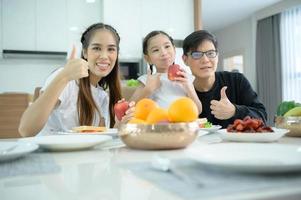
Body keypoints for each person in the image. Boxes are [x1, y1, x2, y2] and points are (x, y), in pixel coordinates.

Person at [19, 23, 134, 137]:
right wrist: (64, 76)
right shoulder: (67, 79)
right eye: (96, 48)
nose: (104, 55)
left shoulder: (103, 96)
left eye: (111, 49)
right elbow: (26, 130)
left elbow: (99, 139)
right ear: (85, 52)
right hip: (51, 154)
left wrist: (119, 126)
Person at [182, 30, 267, 128]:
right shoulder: (181, 90)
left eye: (210, 53)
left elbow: (262, 117)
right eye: (196, 54)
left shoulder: (237, 80)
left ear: (217, 56)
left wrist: (234, 111)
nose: (205, 60)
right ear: (185, 60)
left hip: (237, 143)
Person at [130, 30, 202, 112]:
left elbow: (198, 110)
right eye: (156, 50)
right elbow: (130, 109)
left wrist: (189, 88)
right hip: (157, 123)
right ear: (148, 58)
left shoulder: (185, 78)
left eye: (167, 46)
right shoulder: (147, 80)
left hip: (182, 123)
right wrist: (148, 90)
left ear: (174, 50)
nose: (163, 53)